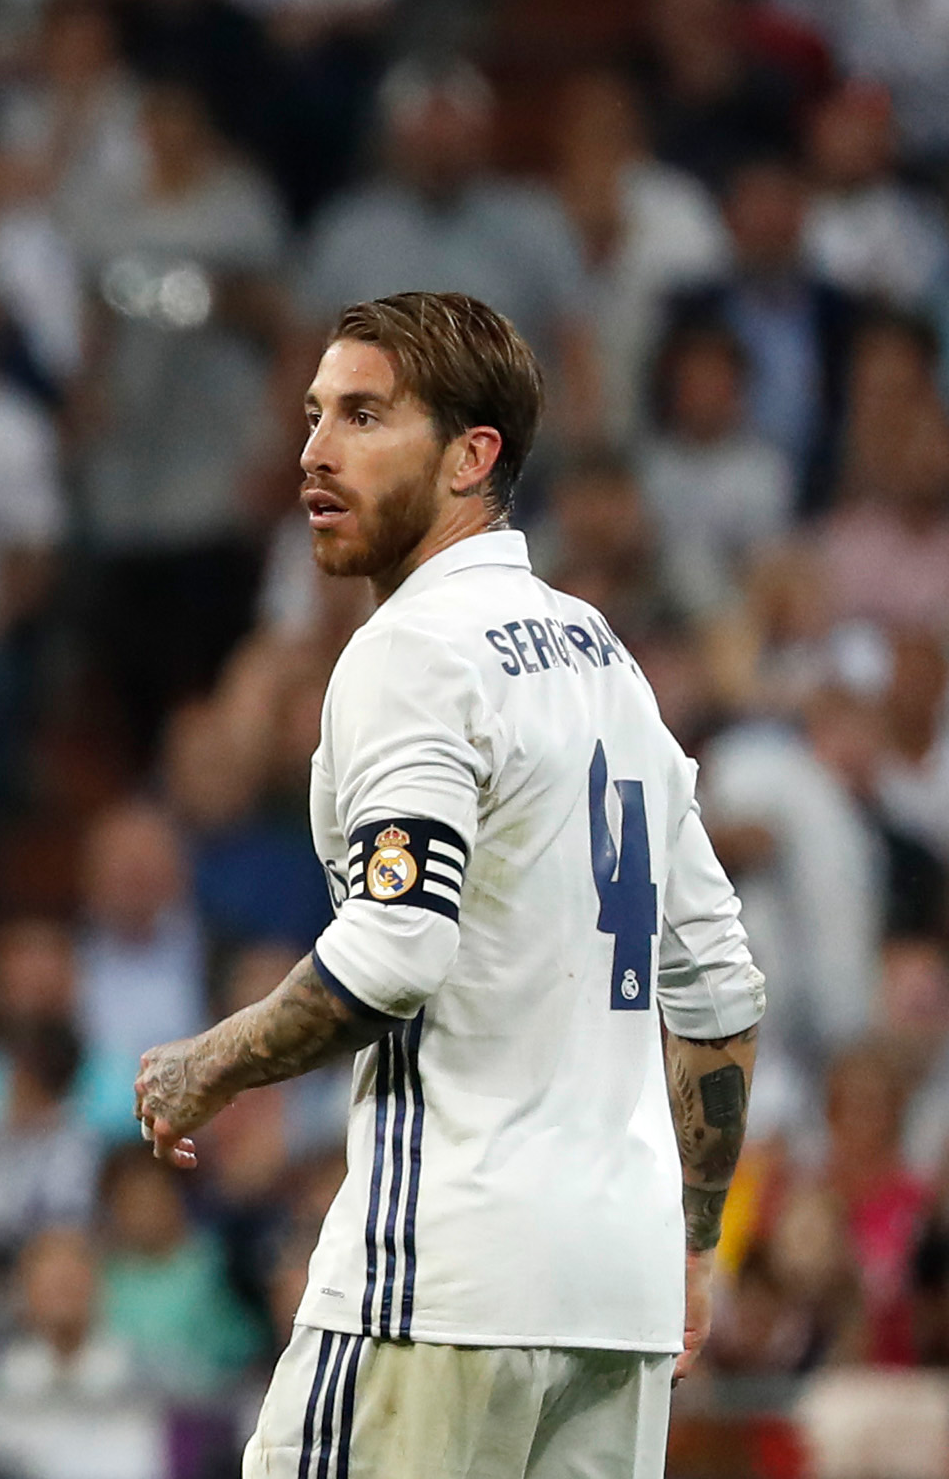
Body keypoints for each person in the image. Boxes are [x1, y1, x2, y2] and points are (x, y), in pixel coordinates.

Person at [134, 292, 766, 1477]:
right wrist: (692, 1240)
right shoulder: (606, 661)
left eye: (365, 416)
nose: (315, 452)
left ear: (475, 455)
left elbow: (394, 951)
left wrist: (203, 1067)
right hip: (614, 1302)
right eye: (315, 415)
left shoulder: (413, 653)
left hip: (443, 1280)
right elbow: (721, 991)